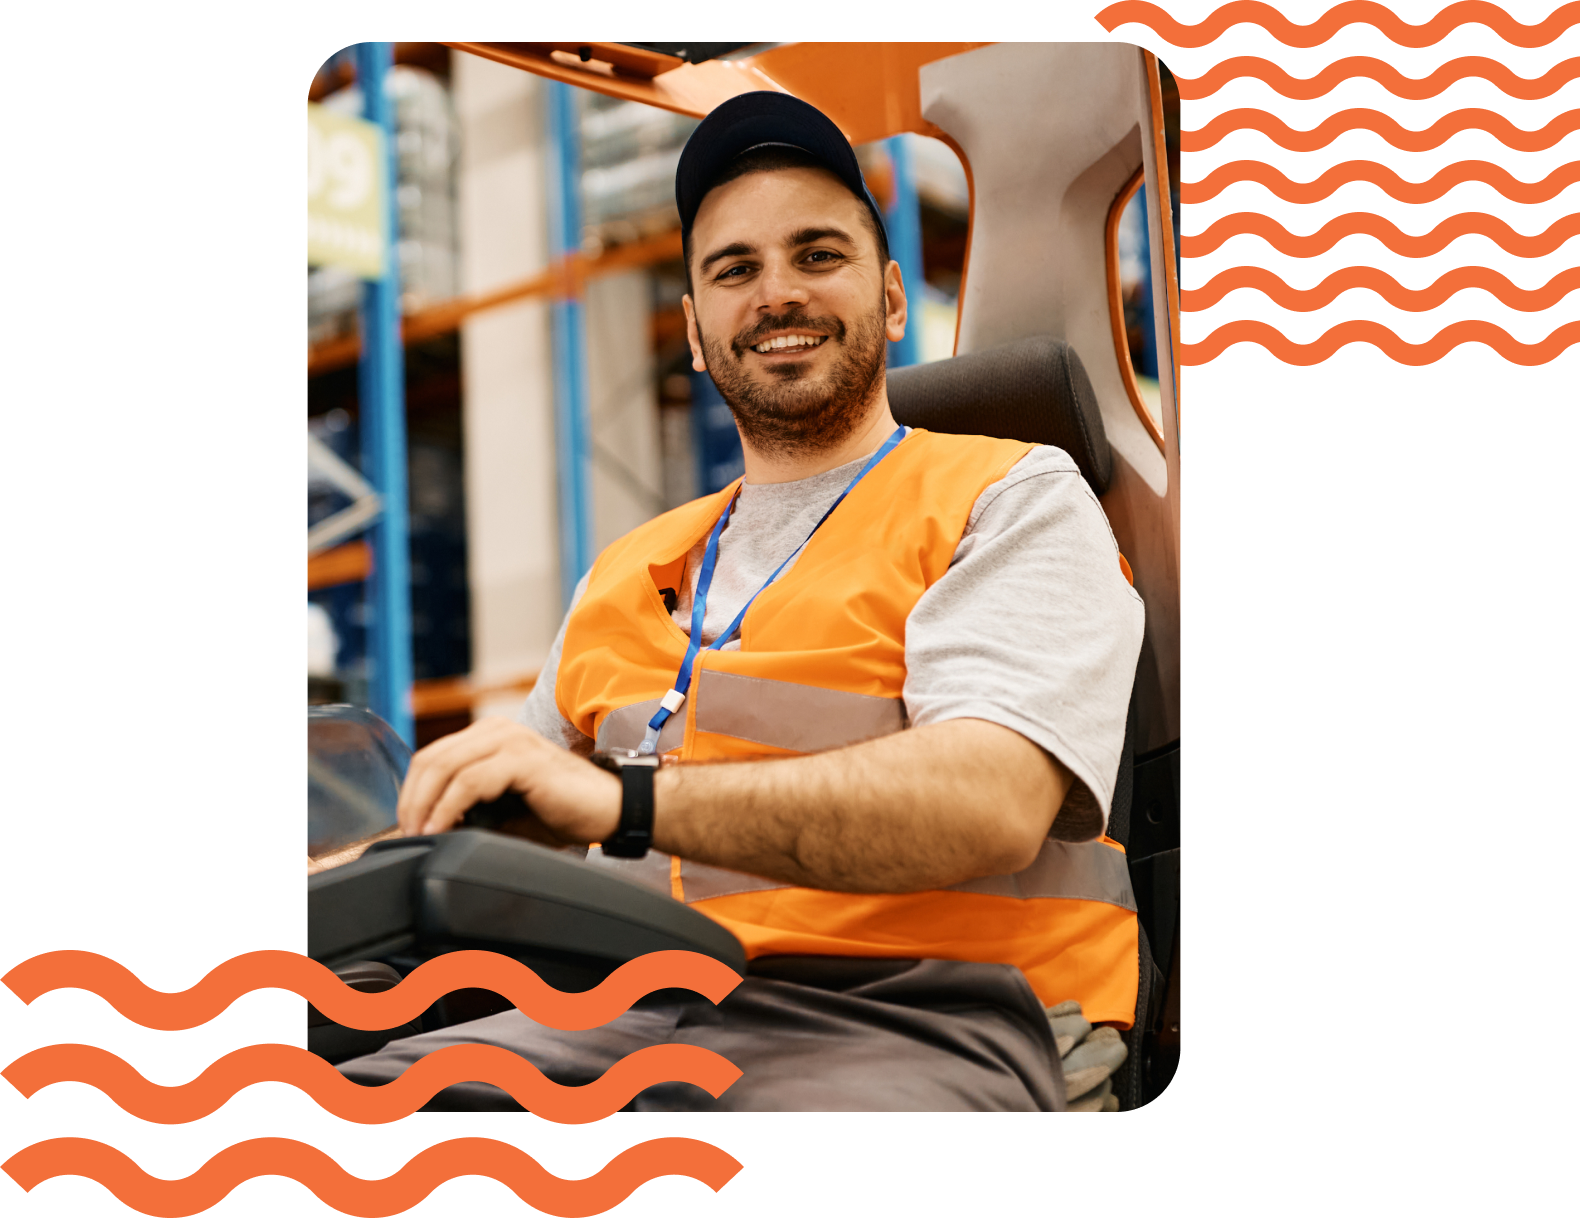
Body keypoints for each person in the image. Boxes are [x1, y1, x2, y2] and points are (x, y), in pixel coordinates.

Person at [335, 92, 1145, 1111]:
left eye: (817, 255)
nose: (777, 294)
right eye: (734, 269)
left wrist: (620, 800)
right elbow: (514, 812)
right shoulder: (624, 568)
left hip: (935, 1013)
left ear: (892, 299)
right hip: (632, 1003)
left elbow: (990, 803)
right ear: (692, 327)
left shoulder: (1006, 496)